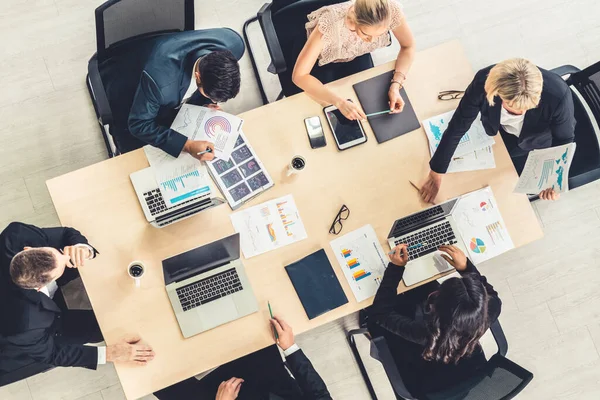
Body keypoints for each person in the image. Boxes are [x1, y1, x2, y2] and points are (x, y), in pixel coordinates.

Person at [0, 222, 154, 385]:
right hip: (35, 327)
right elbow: (52, 354)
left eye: (58, 253)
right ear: (39, 288)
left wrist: (83, 249)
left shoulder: (14, 236)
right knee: (105, 328)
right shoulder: (24, 328)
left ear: (28, 249)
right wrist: (109, 354)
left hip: (31, 302)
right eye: (62, 263)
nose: (66, 257)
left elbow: (65, 234)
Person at [420, 58, 575, 203]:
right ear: (497, 93)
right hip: (498, 130)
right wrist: (436, 170)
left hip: (535, 140)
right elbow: (458, 124)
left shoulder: (559, 96)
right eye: (513, 110)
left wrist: (554, 179)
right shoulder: (484, 82)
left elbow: (563, 140)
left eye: (526, 109)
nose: (520, 113)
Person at [368, 243, 501, 397]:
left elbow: (380, 313)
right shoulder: (489, 311)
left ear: (434, 305)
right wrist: (466, 268)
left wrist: (395, 268)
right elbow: (491, 294)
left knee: (376, 308)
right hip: (459, 371)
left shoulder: (425, 334)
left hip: (421, 369)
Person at [107, 28, 245, 159]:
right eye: (210, 95)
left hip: (161, 55)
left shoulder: (233, 43)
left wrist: (207, 103)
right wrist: (187, 145)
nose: (215, 102)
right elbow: (138, 124)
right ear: (198, 76)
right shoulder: (161, 84)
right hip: (129, 91)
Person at [154, 315, 331, 400]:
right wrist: (290, 347)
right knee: (253, 322)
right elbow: (319, 394)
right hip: (276, 385)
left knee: (159, 381)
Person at [292, 0, 415, 120]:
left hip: (356, 55)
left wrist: (396, 84)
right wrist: (339, 102)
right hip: (321, 60)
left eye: (379, 34)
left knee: (369, 104)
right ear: (354, 20)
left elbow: (408, 46)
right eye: (366, 34)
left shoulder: (390, 11)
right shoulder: (330, 25)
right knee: (325, 113)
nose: (372, 41)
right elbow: (299, 76)